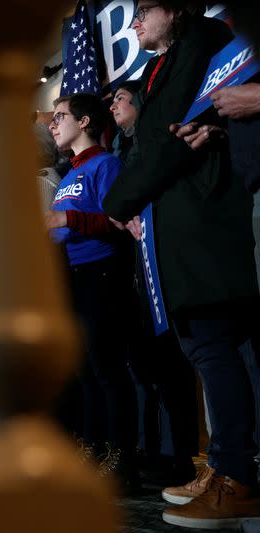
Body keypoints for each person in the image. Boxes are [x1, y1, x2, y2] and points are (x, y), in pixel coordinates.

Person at [102, 2, 260, 528]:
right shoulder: (162, 64)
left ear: (173, 8)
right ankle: (223, 467)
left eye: (142, 10)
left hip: (202, 222)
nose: (133, 24)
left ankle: (235, 474)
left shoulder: (201, 42)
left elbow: (165, 144)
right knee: (207, 344)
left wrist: (115, 202)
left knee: (212, 341)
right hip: (181, 222)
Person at [46, 93, 138, 492]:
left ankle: (121, 461)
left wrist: (66, 216)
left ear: (84, 122)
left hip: (101, 272)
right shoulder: (67, 175)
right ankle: (93, 450)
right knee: (83, 370)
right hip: (71, 275)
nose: (52, 124)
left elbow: (118, 222)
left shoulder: (106, 164)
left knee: (106, 369)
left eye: (59, 117)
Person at [110, 80, 200, 487]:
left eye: (121, 99)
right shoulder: (122, 150)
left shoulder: (150, 146)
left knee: (171, 368)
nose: (114, 105)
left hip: (163, 267)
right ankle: (154, 450)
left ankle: (177, 455)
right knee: (146, 369)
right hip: (134, 273)